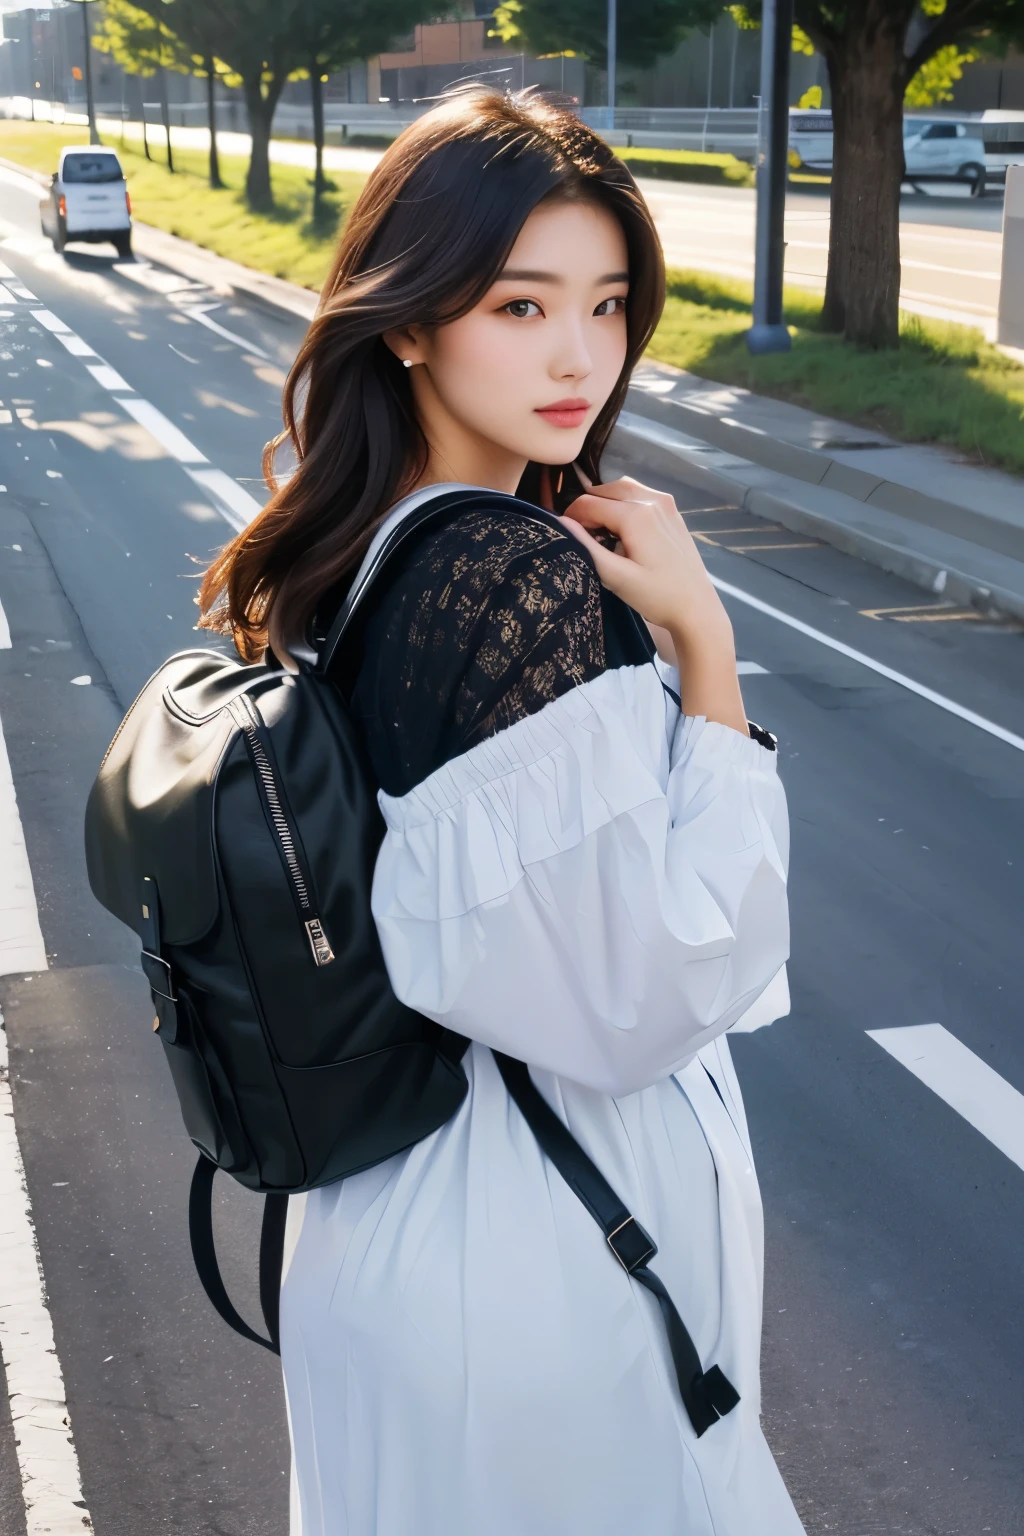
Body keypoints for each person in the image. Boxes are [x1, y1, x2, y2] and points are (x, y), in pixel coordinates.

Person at [198, 86, 801, 1536]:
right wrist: (708, 658)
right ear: (407, 320)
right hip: (543, 1261)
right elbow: (651, 990)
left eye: (608, 306)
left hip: (396, 1230)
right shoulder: (510, 579)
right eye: (521, 307)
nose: (580, 357)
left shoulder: (354, 556)